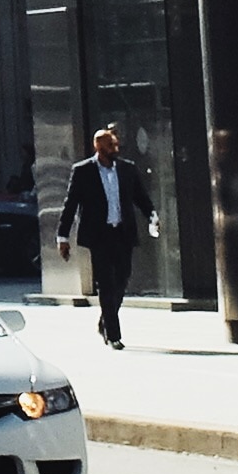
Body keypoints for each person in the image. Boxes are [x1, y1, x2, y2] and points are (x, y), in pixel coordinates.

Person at [57, 126, 150, 349]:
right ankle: (114, 334)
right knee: (106, 284)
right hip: (99, 235)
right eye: (110, 145)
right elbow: (70, 204)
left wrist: (152, 215)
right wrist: (63, 236)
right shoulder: (83, 171)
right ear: (98, 147)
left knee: (122, 278)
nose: (115, 148)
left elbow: (140, 197)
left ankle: (105, 320)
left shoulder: (127, 169)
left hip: (123, 233)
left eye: (116, 145)